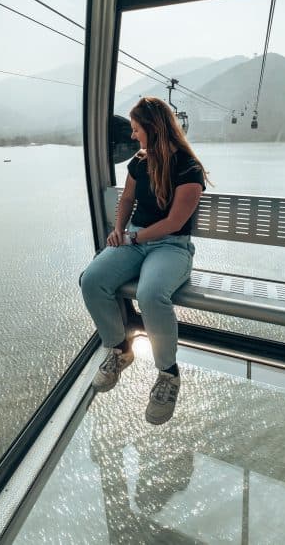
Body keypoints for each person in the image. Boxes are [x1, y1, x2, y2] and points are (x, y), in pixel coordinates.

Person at [80, 97, 209, 425]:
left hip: (171, 247)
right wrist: (119, 229)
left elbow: (173, 223)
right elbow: (126, 199)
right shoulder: (139, 162)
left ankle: (168, 373)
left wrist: (133, 237)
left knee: (151, 295)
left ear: (153, 128)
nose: (134, 136)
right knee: (91, 280)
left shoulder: (189, 169)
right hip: (135, 239)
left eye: (137, 129)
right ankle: (120, 348)